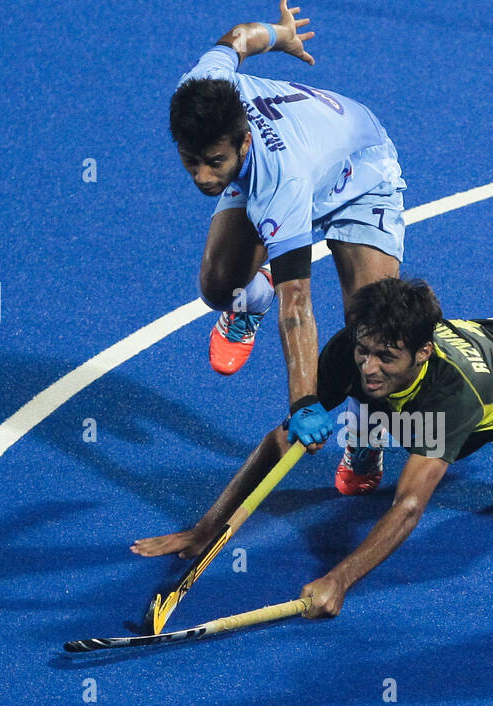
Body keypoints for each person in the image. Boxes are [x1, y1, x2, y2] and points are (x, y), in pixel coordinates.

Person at [132, 278, 493, 617]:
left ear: (422, 352)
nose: (369, 365)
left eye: (385, 356)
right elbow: (280, 439)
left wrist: (339, 579)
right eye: (364, 350)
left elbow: (409, 506)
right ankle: (374, 433)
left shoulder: (452, 397)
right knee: (378, 397)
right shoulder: (355, 350)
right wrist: (205, 529)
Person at [169, 2, 407, 481]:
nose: (202, 177)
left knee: (374, 328)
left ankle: (365, 436)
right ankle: (248, 303)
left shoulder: (282, 182)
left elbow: (296, 301)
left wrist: (304, 401)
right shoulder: (201, 90)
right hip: (279, 163)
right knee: (219, 287)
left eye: (214, 163)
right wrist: (280, 34)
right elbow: (238, 38)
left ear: (243, 143)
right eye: (191, 161)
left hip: (359, 173)